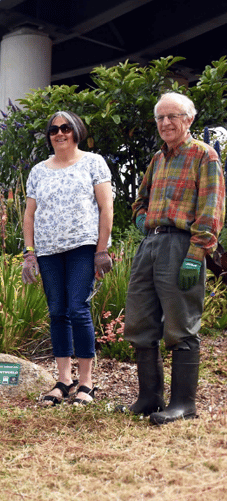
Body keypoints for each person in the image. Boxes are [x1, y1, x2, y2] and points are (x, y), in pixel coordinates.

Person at [121, 92, 224, 425]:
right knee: (139, 322)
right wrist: (142, 219)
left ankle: (183, 404)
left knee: (181, 325)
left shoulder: (204, 156)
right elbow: (140, 201)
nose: (166, 123)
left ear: (189, 119)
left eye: (173, 116)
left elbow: (211, 211)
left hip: (182, 246)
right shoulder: (157, 159)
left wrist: (197, 255)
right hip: (149, 246)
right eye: (161, 118)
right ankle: (149, 398)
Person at [22, 111, 113, 407]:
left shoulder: (93, 163)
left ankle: (86, 382)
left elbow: (105, 208)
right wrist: (29, 253)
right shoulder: (38, 171)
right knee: (57, 311)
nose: (59, 133)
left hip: (82, 248)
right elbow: (29, 214)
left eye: (65, 128)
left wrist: (102, 250)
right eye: (53, 129)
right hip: (48, 251)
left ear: (76, 131)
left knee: (77, 308)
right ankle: (63, 379)